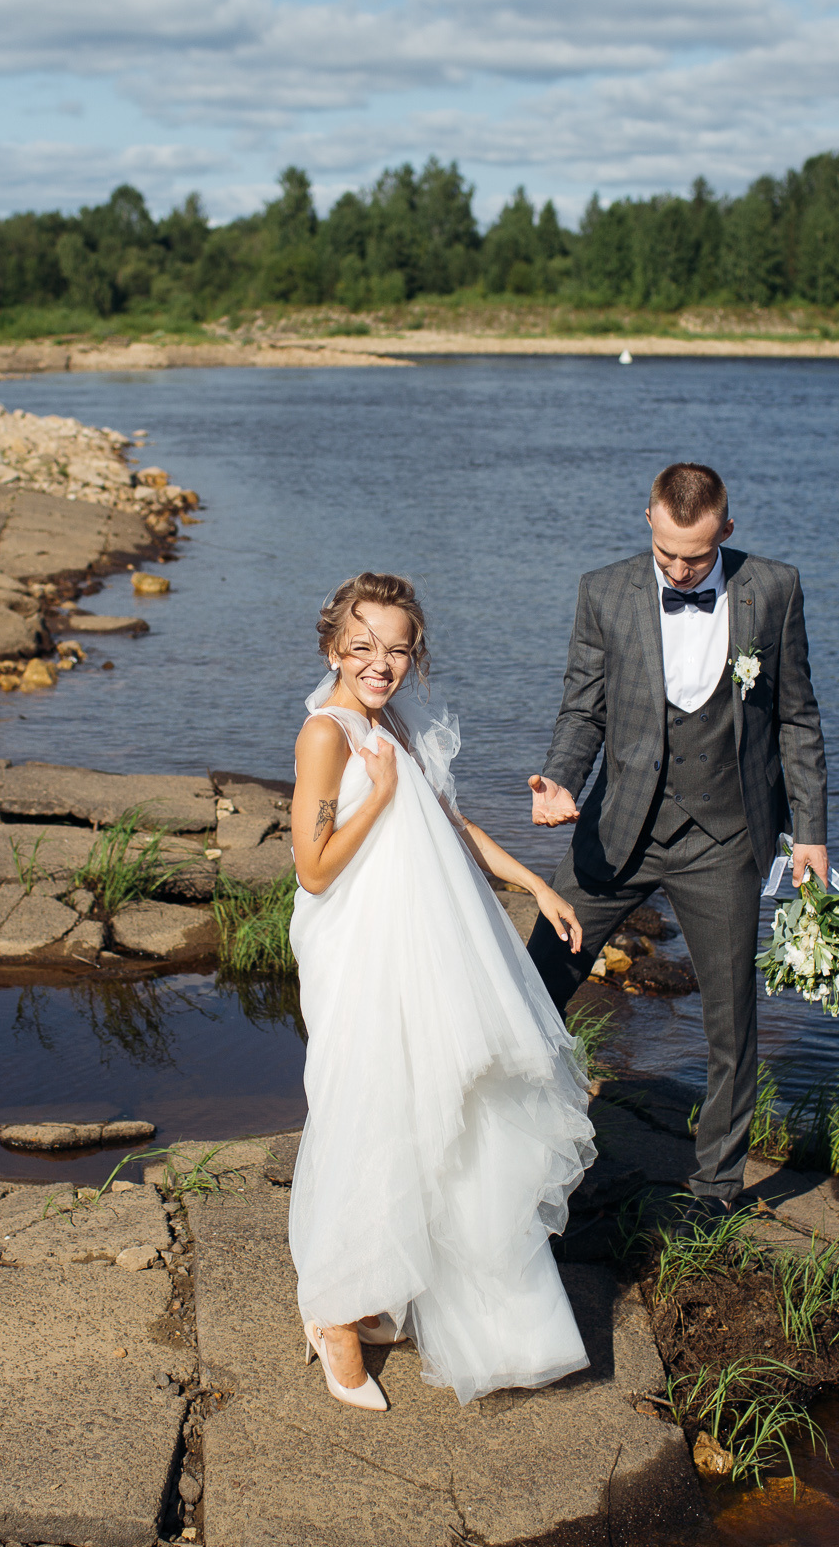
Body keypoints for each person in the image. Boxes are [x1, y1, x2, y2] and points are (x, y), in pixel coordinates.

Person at [286, 572, 599, 1412]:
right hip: (360, 948)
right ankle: (334, 1314)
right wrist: (378, 792)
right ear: (333, 649)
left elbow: (447, 823)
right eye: (364, 647)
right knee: (367, 1109)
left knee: (435, 1113)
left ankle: (382, 1280)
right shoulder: (327, 733)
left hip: (425, 946)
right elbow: (313, 870)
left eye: (397, 648)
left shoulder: (396, 726)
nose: (381, 663)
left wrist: (534, 884)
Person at [524, 462, 829, 1212]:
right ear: (649, 523)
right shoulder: (605, 591)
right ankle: (508, 1150)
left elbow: (797, 717)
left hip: (725, 838)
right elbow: (583, 712)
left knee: (731, 1024)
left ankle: (716, 1189)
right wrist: (560, 777)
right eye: (667, 553)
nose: (681, 567)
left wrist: (812, 835)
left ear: (726, 529)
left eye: (695, 554)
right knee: (530, 989)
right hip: (617, 828)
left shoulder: (775, 590)